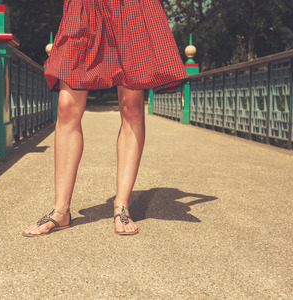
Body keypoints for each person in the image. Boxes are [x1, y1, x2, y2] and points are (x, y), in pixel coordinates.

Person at [22, 0, 188, 236]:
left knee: (131, 106)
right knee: (67, 106)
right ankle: (60, 211)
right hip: (84, 7)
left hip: (131, 8)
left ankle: (122, 205)